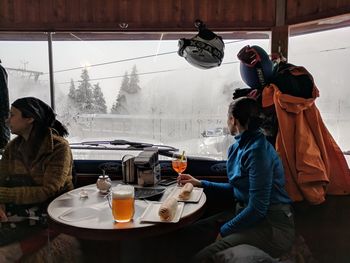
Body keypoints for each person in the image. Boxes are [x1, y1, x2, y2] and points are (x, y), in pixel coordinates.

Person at [175, 97, 295, 263]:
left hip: (271, 226)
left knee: (203, 258)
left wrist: (225, 230)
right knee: (191, 232)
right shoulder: (237, 147)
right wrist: (201, 183)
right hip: (246, 214)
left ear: (233, 120)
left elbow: (258, 208)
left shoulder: (258, 152)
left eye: (227, 117)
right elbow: (237, 189)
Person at [0, 97, 81, 262]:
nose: (8, 120)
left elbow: (48, 190)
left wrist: (2, 195)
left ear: (30, 118)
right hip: (17, 211)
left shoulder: (59, 148)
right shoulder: (12, 148)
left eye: (12, 115)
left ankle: (16, 250)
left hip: (50, 212)